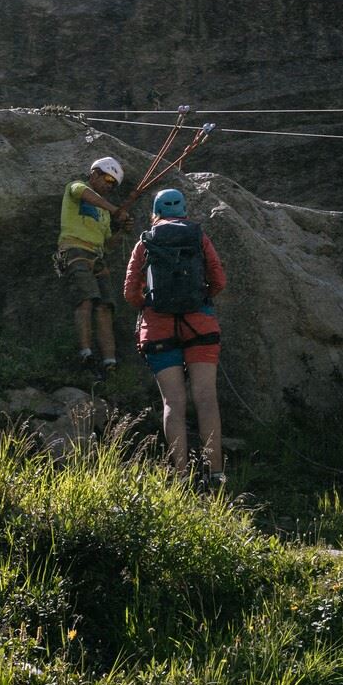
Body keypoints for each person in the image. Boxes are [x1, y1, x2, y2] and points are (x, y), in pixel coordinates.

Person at [123, 187, 227, 485]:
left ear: (155, 211)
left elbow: (130, 291)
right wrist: (200, 299)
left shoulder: (146, 241)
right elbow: (219, 278)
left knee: (173, 403)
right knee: (206, 398)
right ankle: (215, 473)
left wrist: (150, 306)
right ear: (183, 211)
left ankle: (181, 476)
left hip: (158, 328)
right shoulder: (197, 236)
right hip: (201, 325)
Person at [55, 154, 128, 372]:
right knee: (86, 299)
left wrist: (122, 231)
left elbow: (108, 245)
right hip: (74, 249)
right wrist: (115, 209)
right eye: (107, 180)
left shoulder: (104, 214)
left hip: (97, 255)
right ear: (94, 174)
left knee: (105, 306)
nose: (110, 186)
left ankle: (109, 361)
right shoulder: (76, 187)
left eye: (113, 185)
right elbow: (86, 194)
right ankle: (85, 352)